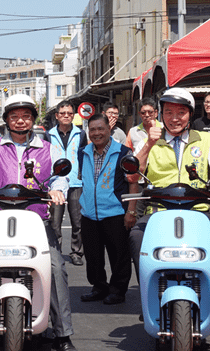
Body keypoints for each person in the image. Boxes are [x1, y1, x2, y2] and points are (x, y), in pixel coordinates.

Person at [0, 94, 77, 351]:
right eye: (14, 116)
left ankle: (63, 335)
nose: (20, 121)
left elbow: (59, 176)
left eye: (25, 116)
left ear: (32, 119)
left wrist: (58, 190)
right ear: (7, 120)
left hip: (36, 217)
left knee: (56, 269)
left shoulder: (47, 148)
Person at [129, 87, 210, 282]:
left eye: (181, 113)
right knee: (136, 237)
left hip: (199, 210)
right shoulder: (150, 141)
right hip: (159, 211)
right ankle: (148, 296)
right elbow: (133, 176)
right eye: (169, 112)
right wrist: (149, 143)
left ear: (190, 114)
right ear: (161, 115)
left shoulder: (206, 140)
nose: (175, 118)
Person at [78, 113, 137, 305]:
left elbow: (133, 183)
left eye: (100, 129)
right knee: (93, 256)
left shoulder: (124, 152)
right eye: (92, 129)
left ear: (109, 129)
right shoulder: (83, 152)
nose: (96, 133)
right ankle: (99, 287)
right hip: (89, 214)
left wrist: (131, 211)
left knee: (119, 256)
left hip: (115, 213)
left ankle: (118, 290)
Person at [45, 100, 87, 266]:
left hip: (76, 182)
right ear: (57, 116)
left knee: (78, 221)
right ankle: (56, 252)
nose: (66, 116)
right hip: (56, 183)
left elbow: (83, 157)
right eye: (62, 113)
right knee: (55, 221)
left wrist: (84, 177)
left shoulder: (81, 134)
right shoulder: (48, 135)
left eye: (69, 113)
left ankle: (76, 253)